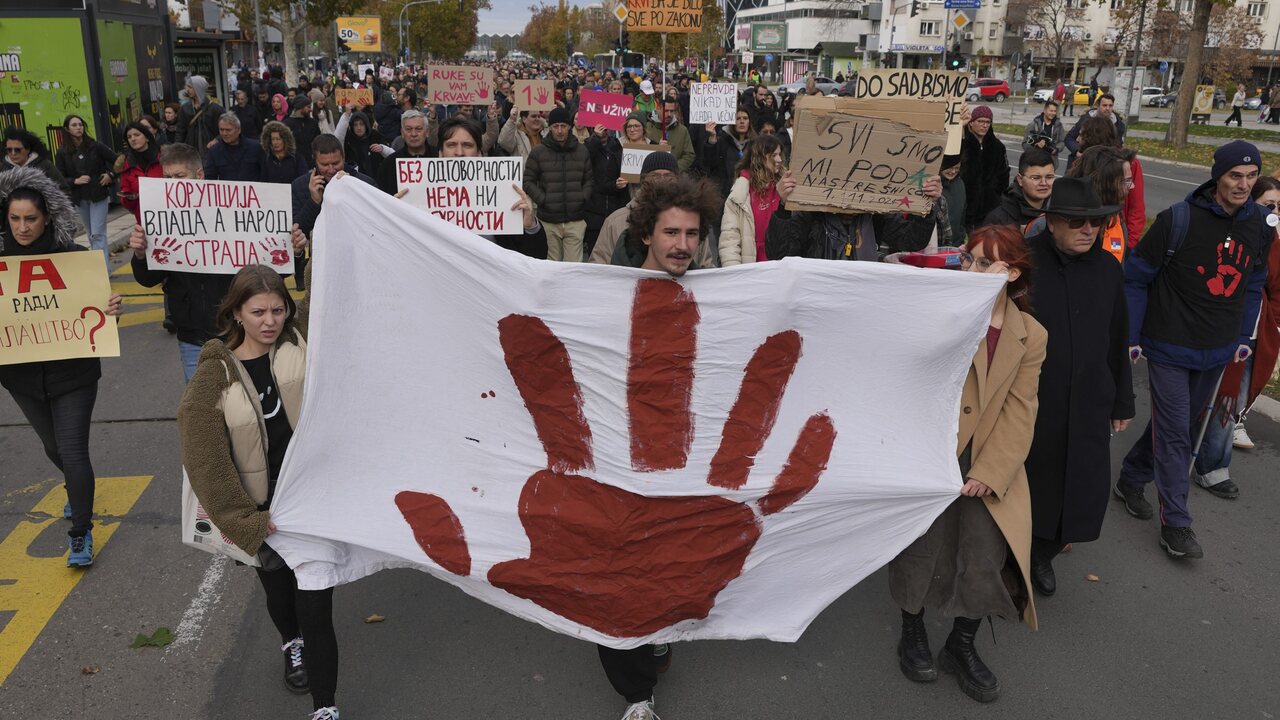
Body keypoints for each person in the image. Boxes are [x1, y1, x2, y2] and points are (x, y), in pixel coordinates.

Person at [889, 224, 1046, 705]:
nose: (973, 269)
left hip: (989, 465)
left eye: (986, 262)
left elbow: (1022, 410)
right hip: (933, 455)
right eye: (970, 259)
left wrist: (990, 471)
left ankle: (962, 645)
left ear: (1011, 272)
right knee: (921, 550)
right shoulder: (947, 311)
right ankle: (912, 631)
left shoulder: (1030, 335)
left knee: (982, 558)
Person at [177, 264, 341, 720]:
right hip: (259, 511)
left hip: (310, 502)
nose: (270, 321)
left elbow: (334, 279)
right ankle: (291, 642)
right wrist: (243, 519)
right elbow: (204, 458)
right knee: (279, 588)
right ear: (236, 314)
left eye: (277, 309)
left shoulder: (301, 339)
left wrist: (332, 211)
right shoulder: (214, 376)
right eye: (258, 312)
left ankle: (324, 705)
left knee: (315, 601)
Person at [1115, 141, 1271, 560]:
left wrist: (1243, 335)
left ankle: (1131, 477)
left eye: (1251, 176)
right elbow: (1135, 278)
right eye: (1235, 176)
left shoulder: (1259, 224)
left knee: (1177, 426)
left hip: (1218, 348)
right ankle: (1177, 524)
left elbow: (1254, 281)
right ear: (1217, 176)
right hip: (1168, 344)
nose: (1243, 184)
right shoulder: (1177, 219)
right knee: (1175, 434)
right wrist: (1132, 336)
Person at [603, 174, 722, 720]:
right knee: (616, 577)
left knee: (669, 564)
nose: (682, 245)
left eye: (692, 234)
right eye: (671, 232)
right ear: (647, 234)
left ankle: (659, 628)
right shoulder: (609, 294)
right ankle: (637, 696)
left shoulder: (720, 296)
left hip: (683, 464)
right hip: (618, 461)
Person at [0, 166, 123, 566]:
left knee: (71, 451)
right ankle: (78, 487)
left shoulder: (74, 259)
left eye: (30, 219)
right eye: (14, 218)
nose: (22, 227)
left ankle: (80, 532)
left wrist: (110, 310)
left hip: (73, 374)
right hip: (20, 376)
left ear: (48, 217)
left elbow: (96, 311)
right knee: (52, 447)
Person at [1022, 177, 1134, 597]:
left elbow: (1117, 335)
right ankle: (1016, 552)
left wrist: (1122, 399)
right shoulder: (1025, 262)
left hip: (1089, 399)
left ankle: (1042, 554)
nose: (1089, 230)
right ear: (1051, 223)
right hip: (1035, 401)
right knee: (1033, 485)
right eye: (1077, 222)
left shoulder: (1107, 268)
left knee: (1082, 492)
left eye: (1096, 223)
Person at [1190, 175, 1280, 498]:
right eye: (1269, 205)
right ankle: (1183, 451)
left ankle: (1213, 466)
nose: (1275, 213)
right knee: (1201, 395)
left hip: (1251, 336)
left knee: (1231, 401)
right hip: (1215, 331)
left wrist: (1274, 327)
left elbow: (1278, 288)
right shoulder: (1231, 233)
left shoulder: (1274, 241)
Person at [435, 115, 546, 258]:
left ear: (480, 154)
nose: (459, 153)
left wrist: (530, 227)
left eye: (467, 145)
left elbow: (537, 257)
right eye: (451, 145)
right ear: (440, 154)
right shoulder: (419, 197)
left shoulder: (505, 195)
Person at [590, 151, 716, 267]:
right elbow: (598, 268)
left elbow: (705, 268)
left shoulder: (692, 221)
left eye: (668, 176)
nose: (662, 181)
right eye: (654, 176)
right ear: (644, 181)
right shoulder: (616, 221)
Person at [524, 106, 593, 262]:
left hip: (575, 220)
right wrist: (543, 199)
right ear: (550, 127)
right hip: (548, 220)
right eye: (556, 126)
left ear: (569, 126)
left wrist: (582, 198)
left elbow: (589, 179)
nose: (560, 130)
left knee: (574, 268)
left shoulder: (582, 151)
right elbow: (528, 181)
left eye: (563, 126)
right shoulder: (538, 152)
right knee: (551, 267)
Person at [55, 114, 117, 266]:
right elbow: (59, 177)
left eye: (80, 125)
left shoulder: (95, 146)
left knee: (98, 234)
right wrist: (75, 181)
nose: (78, 128)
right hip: (80, 198)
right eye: (74, 125)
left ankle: (104, 273)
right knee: (91, 234)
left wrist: (111, 175)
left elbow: (118, 161)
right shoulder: (62, 152)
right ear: (67, 129)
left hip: (98, 195)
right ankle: (97, 268)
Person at [1065, 144, 1137, 263]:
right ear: (1103, 183)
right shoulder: (1057, 222)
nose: (1132, 186)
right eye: (1126, 181)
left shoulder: (1117, 222)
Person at [719, 133, 783, 266]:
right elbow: (730, 238)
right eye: (774, 155)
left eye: (780, 154)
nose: (779, 160)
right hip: (750, 269)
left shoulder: (783, 188)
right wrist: (734, 274)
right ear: (760, 158)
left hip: (779, 267)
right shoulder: (739, 193)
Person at [584, 121, 631, 261]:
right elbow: (585, 158)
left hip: (614, 205)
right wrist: (595, 138)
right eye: (600, 128)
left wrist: (617, 184)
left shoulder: (618, 146)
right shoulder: (588, 145)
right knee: (595, 254)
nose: (603, 131)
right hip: (594, 208)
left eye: (605, 128)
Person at [960, 106, 1010, 232]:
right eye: (981, 121)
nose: (985, 125)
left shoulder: (998, 147)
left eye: (988, 122)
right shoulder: (962, 143)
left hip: (990, 208)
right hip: (965, 206)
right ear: (971, 123)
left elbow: (1004, 174)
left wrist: (996, 194)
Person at [983, 148, 1055, 230]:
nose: (1044, 183)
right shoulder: (998, 220)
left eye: (1049, 177)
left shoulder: (1058, 215)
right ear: (1020, 180)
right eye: (1036, 178)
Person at [701, 109, 756, 200]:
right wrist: (712, 139)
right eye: (738, 118)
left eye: (745, 118)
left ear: (749, 122)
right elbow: (709, 163)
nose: (742, 121)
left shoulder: (756, 144)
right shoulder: (722, 141)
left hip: (748, 196)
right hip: (725, 196)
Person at [377, 109, 433, 195]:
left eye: (418, 129)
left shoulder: (440, 157)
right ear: (402, 133)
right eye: (408, 129)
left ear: (427, 132)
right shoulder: (389, 164)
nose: (413, 134)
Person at [1064, 93, 1127, 167]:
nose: (1107, 108)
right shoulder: (1085, 120)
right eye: (1104, 105)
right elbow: (1069, 138)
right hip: (1082, 163)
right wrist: (1077, 152)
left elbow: (1118, 145)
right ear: (1098, 106)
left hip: (1104, 165)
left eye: (1110, 105)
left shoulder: (1118, 124)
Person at [118, 121, 164, 222]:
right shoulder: (126, 164)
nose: (133, 139)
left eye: (137, 135)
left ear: (147, 137)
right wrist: (128, 198)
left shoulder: (164, 158)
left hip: (169, 215)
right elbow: (125, 194)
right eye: (129, 137)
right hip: (145, 221)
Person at [203, 112, 266, 182]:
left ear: (238, 130)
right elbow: (209, 178)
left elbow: (265, 173)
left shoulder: (256, 147)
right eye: (221, 130)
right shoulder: (214, 151)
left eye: (228, 130)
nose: (224, 133)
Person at [334, 106, 392, 179]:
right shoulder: (348, 141)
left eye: (361, 124)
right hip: (356, 182)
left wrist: (383, 149)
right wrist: (346, 115)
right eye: (355, 125)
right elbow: (337, 138)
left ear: (366, 125)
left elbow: (393, 156)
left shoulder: (376, 137)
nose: (359, 128)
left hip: (376, 182)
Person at [2, 127, 68, 190]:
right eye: (9, 150)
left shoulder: (44, 165)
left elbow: (63, 188)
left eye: (17, 150)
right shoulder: (3, 169)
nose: (13, 153)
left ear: (28, 149)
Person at [176, 75, 224, 157]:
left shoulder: (216, 109)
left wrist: (216, 140)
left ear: (198, 88)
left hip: (211, 151)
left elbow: (225, 129)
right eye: (187, 87)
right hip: (192, 152)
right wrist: (177, 149)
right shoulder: (185, 108)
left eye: (190, 87)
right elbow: (180, 131)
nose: (187, 90)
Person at [645, 97, 694, 173]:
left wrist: (673, 168)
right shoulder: (646, 127)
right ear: (658, 108)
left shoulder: (682, 130)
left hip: (674, 178)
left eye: (672, 111)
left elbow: (689, 155)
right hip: (651, 177)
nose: (669, 114)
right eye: (666, 111)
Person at [261, 121, 311, 186]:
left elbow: (304, 179)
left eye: (278, 139)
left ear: (285, 140)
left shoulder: (296, 158)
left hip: (293, 194)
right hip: (273, 194)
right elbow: (263, 181)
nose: (275, 142)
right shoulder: (267, 159)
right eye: (273, 139)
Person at [284, 96, 321, 168]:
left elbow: (318, 140)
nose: (310, 110)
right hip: (293, 162)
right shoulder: (287, 123)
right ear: (300, 107)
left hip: (310, 161)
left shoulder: (313, 123)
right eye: (308, 107)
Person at [940, 154, 967, 246]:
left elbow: (963, 214)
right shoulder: (932, 187)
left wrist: (961, 236)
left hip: (956, 243)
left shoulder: (960, 184)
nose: (953, 171)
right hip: (936, 245)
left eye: (957, 168)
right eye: (949, 168)